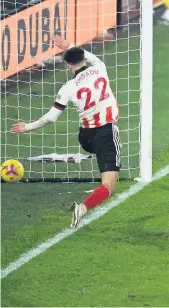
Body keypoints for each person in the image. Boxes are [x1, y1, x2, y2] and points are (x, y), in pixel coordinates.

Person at [11, 35, 121, 229]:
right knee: (109, 186)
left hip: (85, 137)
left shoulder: (68, 88)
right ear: (84, 59)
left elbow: (51, 118)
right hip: (105, 133)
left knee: (97, 120)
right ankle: (83, 208)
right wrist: (69, 45)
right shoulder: (100, 67)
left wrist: (26, 127)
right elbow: (89, 56)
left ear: (68, 66)